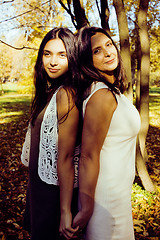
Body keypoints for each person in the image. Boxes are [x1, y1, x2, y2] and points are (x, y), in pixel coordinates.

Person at [72, 26, 141, 240]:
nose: (108, 52)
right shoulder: (101, 96)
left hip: (118, 196)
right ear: (86, 59)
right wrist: (86, 208)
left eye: (109, 45)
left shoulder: (110, 90)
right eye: (97, 51)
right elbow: (88, 156)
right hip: (105, 199)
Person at [21, 27, 81, 240]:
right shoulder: (51, 91)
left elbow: (65, 157)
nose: (52, 61)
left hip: (53, 195)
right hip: (39, 189)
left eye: (61, 55)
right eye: (47, 54)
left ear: (72, 57)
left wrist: (65, 212)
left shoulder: (66, 94)